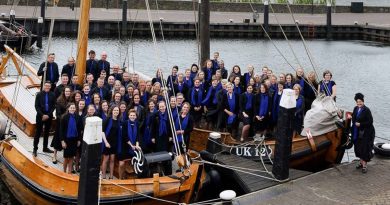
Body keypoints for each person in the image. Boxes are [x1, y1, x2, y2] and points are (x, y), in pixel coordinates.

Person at [348, 93, 375, 173]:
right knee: (358, 148)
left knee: (364, 149)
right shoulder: (355, 108)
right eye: (357, 102)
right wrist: (351, 117)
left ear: (363, 101)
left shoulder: (367, 110)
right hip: (357, 132)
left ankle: (364, 166)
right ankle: (360, 163)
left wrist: (361, 124)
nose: (359, 103)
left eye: (360, 101)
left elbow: (370, 122)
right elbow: (354, 118)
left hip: (366, 133)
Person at [33, 81, 55, 157]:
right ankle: (35, 149)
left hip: (49, 116)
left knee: (46, 133)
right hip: (40, 116)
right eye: (46, 86)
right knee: (38, 133)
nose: (47, 87)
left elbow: (53, 106)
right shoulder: (39, 94)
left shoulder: (53, 94)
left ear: (50, 87)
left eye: (48, 86)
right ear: (43, 86)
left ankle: (45, 148)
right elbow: (36, 106)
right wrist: (42, 115)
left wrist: (48, 115)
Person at [151, 101, 173, 175]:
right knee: (158, 153)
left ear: (165, 106)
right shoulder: (155, 115)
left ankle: (166, 170)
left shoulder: (169, 115)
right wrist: (153, 137)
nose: (162, 108)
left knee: (166, 153)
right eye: (160, 107)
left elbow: (171, 127)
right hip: (158, 137)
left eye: (163, 106)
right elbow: (152, 127)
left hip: (166, 137)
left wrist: (170, 136)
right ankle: (159, 170)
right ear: (158, 107)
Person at [118, 109, 141, 179]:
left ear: (136, 117)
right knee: (121, 164)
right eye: (131, 115)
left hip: (134, 146)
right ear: (128, 116)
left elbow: (138, 136)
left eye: (134, 115)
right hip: (124, 146)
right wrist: (131, 145)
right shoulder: (124, 123)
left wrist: (137, 145)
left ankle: (126, 176)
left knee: (131, 163)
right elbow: (124, 136)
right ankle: (120, 178)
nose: (132, 116)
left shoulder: (137, 124)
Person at [51, 86, 71, 164]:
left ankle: (66, 156)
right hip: (61, 122)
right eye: (66, 91)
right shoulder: (59, 101)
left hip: (69, 123)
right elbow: (58, 114)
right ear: (64, 92)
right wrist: (64, 119)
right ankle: (54, 155)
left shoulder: (71, 100)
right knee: (57, 139)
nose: (68, 93)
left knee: (67, 139)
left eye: (69, 91)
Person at [60, 103, 82, 174]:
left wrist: (78, 139)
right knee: (66, 157)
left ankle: (69, 172)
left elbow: (79, 130)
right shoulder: (64, 117)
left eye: (74, 108)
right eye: (71, 108)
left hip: (74, 140)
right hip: (66, 140)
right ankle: (64, 171)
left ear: (75, 109)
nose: (72, 109)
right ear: (68, 109)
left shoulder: (78, 117)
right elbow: (61, 130)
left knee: (72, 157)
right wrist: (62, 141)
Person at [102, 106, 121, 179]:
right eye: (115, 110)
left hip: (114, 143)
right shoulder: (107, 119)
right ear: (112, 111)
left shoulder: (119, 121)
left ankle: (111, 176)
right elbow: (102, 132)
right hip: (107, 143)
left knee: (112, 160)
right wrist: (106, 142)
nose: (116, 111)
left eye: (117, 110)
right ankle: (103, 176)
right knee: (105, 160)